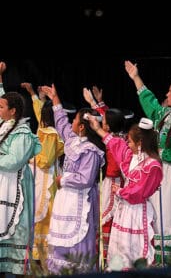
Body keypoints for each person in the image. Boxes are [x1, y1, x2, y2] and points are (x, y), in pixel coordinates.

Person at [124, 60, 171, 266]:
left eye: (170, 91)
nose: (166, 95)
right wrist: (136, 78)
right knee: (160, 215)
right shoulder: (165, 114)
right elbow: (151, 104)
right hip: (162, 175)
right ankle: (159, 261)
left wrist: (162, 153)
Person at [41, 84, 105, 274]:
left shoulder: (90, 151)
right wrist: (55, 99)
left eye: (74, 120)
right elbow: (61, 123)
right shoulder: (72, 140)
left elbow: (85, 178)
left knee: (79, 238)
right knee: (62, 236)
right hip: (66, 199)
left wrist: (64, 179)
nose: (71, 123)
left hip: (81, 199)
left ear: (82, 127)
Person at [88, 116, 163, 270]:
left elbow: (140, 191)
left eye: (129, 141)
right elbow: (117, 145)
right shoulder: (132, 157)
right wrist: (98, 129)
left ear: (140, 143)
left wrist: (121, 191)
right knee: (121, 248)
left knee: (135, 247)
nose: (127, 144)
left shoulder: (152, 165)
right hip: (125, 211)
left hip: (137, 211)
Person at [0, 62, 41, 276]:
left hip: (16, 187)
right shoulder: (3, 125)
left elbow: (14, 161)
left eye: (1, 107)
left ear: (12, 111)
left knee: (14, 229)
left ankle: (12, 271)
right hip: (2, 184)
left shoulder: (23, 133)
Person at [83, 86, 128, 265]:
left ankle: (107, 261)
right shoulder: (121, 136)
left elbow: (115, 169)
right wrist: (95, 102)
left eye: (104, 121)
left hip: (113, 183)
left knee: (106, 220)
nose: (101, 122)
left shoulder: (113, 142)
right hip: (115, 182)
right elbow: (108, 116)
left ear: (107, 126)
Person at [20, 82, 65, 262]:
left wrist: (28, 156)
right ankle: (41, 251)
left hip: (44, 176)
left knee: (43, 210)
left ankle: (41, 252)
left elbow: (44, 160)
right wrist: (34, 94)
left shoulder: (49, 133)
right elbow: (39, 110)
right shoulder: (53, 130)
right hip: (49, 174)